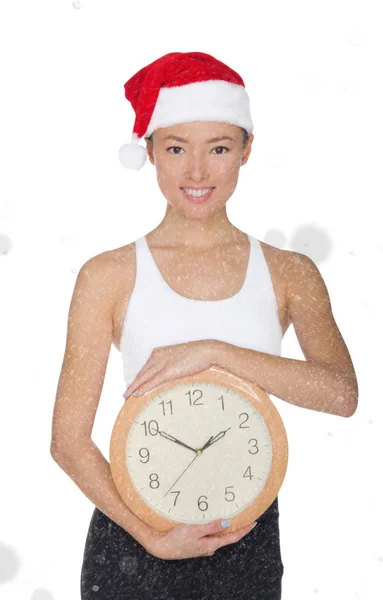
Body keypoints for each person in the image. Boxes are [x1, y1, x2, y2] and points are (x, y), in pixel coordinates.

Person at [51, 51, 293, 599]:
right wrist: (150, 537)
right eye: (177, 148)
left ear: (247, 150)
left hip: (245, 537)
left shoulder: (287, 271)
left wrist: (216, 352)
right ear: (152, 152)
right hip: (131, 536)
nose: (197, 172)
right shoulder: (108, 274)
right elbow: (67, 440)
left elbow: (341, 393)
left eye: (220, 148)